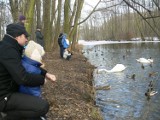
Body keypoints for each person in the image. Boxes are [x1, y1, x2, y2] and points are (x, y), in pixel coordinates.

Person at [0, 23, 56, 120]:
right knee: (42, 107)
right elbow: (23, 78)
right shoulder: (7, 50)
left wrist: (45, 73)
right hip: (4, 97)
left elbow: (25, 64)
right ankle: (6, 116)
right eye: (25, 36)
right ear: (18, 36)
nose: (26, 39)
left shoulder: (11, 47)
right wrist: (42, 80)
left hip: (10, 91)